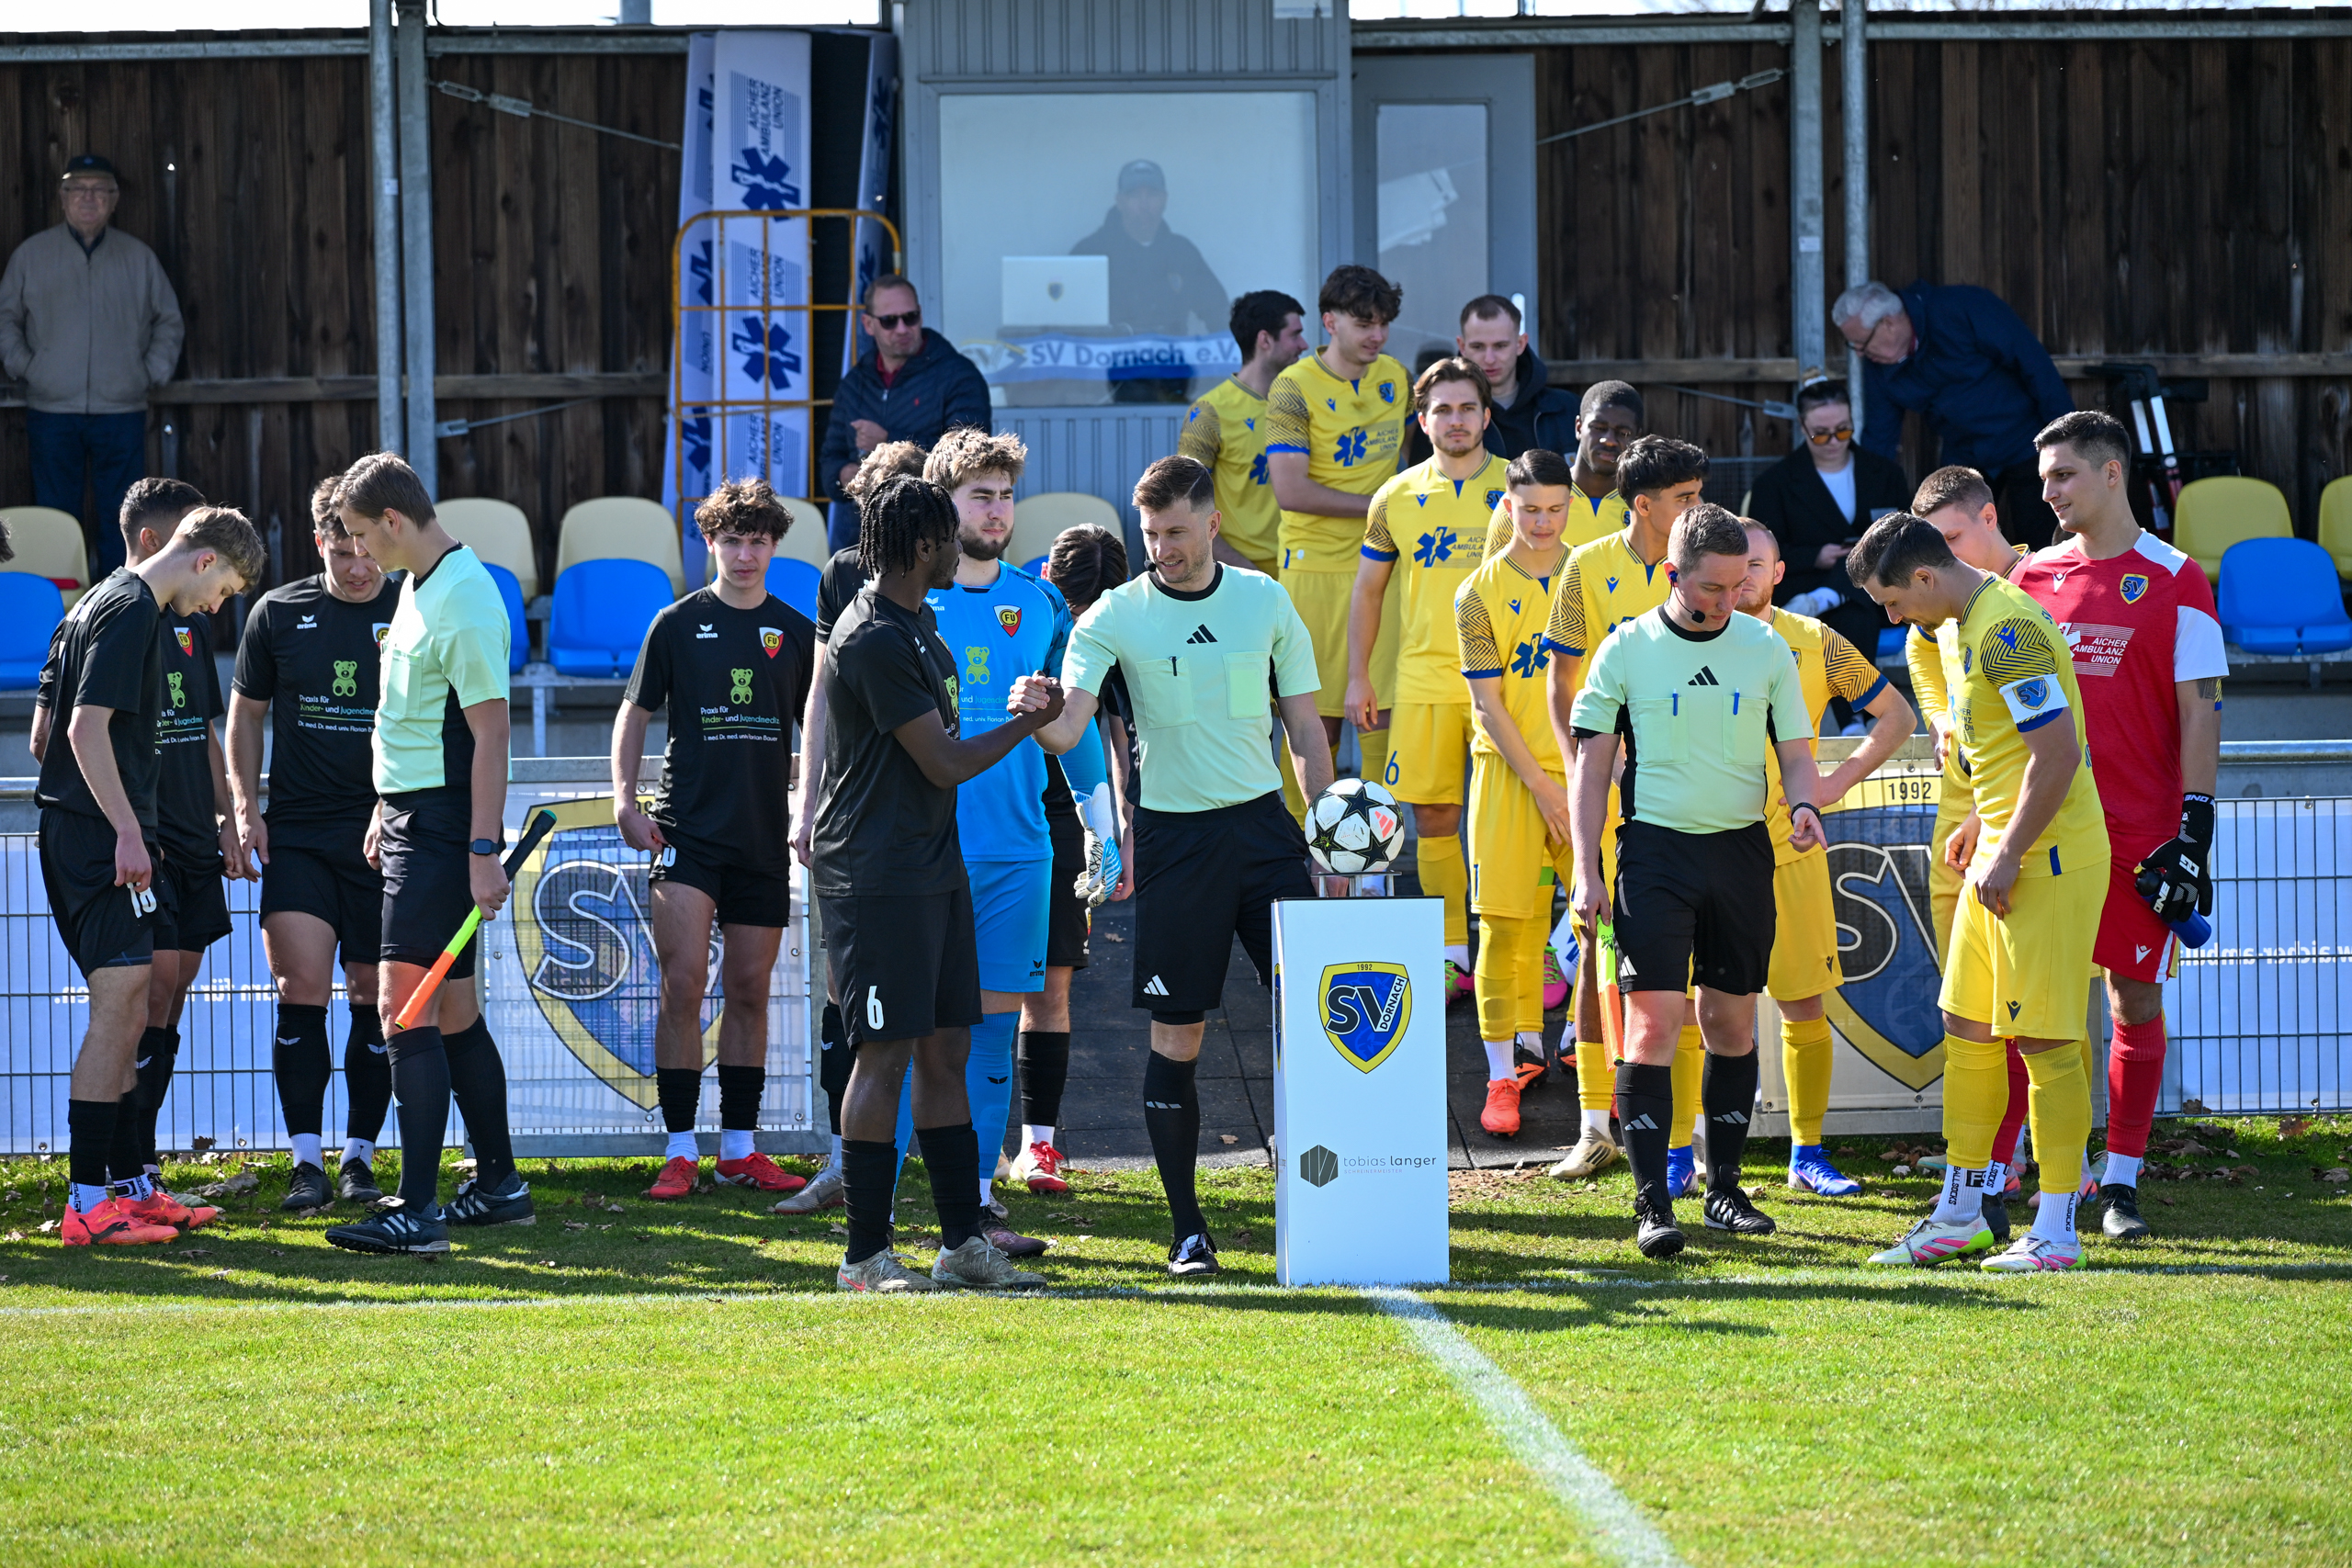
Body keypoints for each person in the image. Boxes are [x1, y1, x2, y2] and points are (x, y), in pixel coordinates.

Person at [1019, 455, 1331, 1278]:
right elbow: (1068, 733)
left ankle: (1335, 1198)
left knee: (1316, 1021)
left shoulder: (1265, 600)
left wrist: (1326, 832)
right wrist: (1041, 713)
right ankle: (1189, 1228)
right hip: (1174, 843)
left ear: (1212, 523)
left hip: (1265, 838)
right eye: (1151, 533)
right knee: (1178, 1034)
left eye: (1176, 532)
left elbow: (1305, 730)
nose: (1162, 547)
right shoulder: (1112, 617)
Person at [813, 474, 1057, 1293]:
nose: (964, 546)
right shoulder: (873, 636)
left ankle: (961, 1245)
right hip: (874, 876)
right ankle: (864, 1256)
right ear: (923, 546)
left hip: (931, 867)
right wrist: (1029, 723)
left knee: (946, 1047)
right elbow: (946, 762)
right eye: (951, 535)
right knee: (881, 1058)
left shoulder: (920, 623)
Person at [1846, 513, 2109, 1272]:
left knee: (2049, 1043)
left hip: (2047, 860)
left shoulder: (2007, 631)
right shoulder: (1964, 626)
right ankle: (1961, 1213)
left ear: (1925, 577)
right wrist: (1980, 825)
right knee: (1965, 1027)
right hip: (2001, 848)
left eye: (1893, 602)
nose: (1893, 620)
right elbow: (1992, 744)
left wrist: (2011, 846)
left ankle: (2057, 1229)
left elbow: (2056, 756)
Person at [1567, 502, 1823, 1258]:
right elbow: (1588, 774)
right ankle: (1651, 1202)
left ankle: (1726, 1188)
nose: (1727, 600)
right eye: (1710, 586)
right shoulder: (1625, 649)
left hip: (1741, 854)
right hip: (1654, 856)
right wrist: (1586, 872)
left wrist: (1804, 800)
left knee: (1733, 1025)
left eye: (1739, 583)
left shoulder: (1767, 647)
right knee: (1651, 1025)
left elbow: (1797, 752)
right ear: (1672, 573)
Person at [2014, 410, 2226, 1242]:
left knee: (2132, 997)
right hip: (2046, 831)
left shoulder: (2179, 577)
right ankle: (2027, 1177)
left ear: (2111, 474)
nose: (2050, 492)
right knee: (2033, 1004)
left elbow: (2202, 707)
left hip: (2139, 832)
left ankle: (2124, 1183)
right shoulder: (2030, 578)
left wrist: (2195, 825)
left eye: (2063, 475)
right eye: (2042, 481)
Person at [322, 454, 531, 1256]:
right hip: (415, 818)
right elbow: (417, 718)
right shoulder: (418, 586)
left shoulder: (465, 596)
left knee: (402, 1010)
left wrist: (482, 848)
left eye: (363, 537)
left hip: (444, 833)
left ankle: (416, 1209)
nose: (360, 554)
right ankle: (501, 1184)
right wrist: (386, 800)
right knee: (452, 1010)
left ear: (396, 523)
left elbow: (490, 733)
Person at [40, 507, 258, 1246]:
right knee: (120, 1005)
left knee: (134, 1006)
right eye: (224, 588)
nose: (218, 606)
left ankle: (130, 1187)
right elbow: (81, 729)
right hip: (92, 836)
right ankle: (86, 1205)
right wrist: (129, 829)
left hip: (105, 833)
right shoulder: (133, 608)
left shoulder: (115, 599)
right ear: (202, 561)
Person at [612, 478, 815, 1204]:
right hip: (687, 835)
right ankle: (677, 1149)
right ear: (711, 543)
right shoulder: (676, 623)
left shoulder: (796, 630)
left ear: (774, 546)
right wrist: (623, 799)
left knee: (751, 991)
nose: (746, 552)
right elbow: (634, 713)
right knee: (682, 986)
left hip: (761, 841)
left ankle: (738, 1148)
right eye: (732, 539)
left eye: (758, 540)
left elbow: (817, 733)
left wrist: (809, 807)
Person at [898, 428, 1071, 1256]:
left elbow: (1072, 729)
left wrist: (1108, 832)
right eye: (980, 495)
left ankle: (973, 1202)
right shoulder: (904, 603)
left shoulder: (1042, 603)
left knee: (996, 1029)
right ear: (945, 504)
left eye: (1006, 494)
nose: (998, 510)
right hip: (921, 850)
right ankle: (882, 1194)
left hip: (1018, 847)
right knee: (904, 1032)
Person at [1539, 435, 1711, 1187]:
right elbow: (1561, 684)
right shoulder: (1586, 565)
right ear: (1644, 506)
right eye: (1685, 498)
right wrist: (1587, 770)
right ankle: (1593, 1127)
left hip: (1691, 792)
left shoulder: (1710, 559)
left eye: (1700, 494)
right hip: (1611, 791)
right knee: (1595, 947)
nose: (1698, 508)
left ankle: (1690, 1139)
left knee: (1692, 964)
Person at [230, 475, 401, 1210]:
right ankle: (306, 1161)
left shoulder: (416, 609)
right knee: (299, 991)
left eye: (368, 549)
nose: (359, 566)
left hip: (384, 834)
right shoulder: (278, 613)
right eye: (342, 550)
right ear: (318, 544)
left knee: (373, 995)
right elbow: (243, 718)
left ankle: (360, 1157)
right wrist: (244, 806)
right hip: (299, 833)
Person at [1733, 522, 1917, 1198]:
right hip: (1704, 851)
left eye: (1756, 564)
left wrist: (1835, 785)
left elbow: (1895, 716)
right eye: (1732, 564)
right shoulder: (1674, 636)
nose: (1743, 576)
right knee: (1698, 1008)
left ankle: (1806, 1151)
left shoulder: (1814, 640)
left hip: (1792, 848)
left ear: (1780, 571)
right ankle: (1678, 1152)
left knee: (1803, 1004)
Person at [778, 440, 931, 1218]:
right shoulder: (841, 577)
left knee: (945, 1020)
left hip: (937, 823)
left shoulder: (955, 569)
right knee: (856, 1004)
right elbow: (817, 691)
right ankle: (850, 1167)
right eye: (875, 501)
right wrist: (806, 797)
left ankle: (964, 1197)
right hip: (862, 825)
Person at [1345, 356, 1507, 1009]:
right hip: (1424, 676)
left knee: (1510, 815)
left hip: (1505, 679)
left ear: (1487, 416)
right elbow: (1368, 590)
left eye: (1468, 407)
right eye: (1443, 409)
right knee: (1435, 815)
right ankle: (1451, 950)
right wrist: (1358, 676)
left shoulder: (1521, 487)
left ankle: (1530, 948)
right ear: (1422, 419)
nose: (1456, 419)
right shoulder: (1397, 495)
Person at [1904, 463, 2038, 1239]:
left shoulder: (2034, 590)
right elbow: (1921, 651)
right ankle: (1986, 1162)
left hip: (2025, 824)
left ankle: (2036, 1162)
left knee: (2033, 1008)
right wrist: (1940, 715)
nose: (1943, 557)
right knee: (1970, 1007)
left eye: (1954, 537)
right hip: (1963, 814)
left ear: (1989, 518)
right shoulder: (1944, 603)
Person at [1455, 449, 1576, 1138]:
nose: (1541, 521)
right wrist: (1539, 785)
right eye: (1528, 508)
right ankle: (1504, 1072)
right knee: (1503, 927)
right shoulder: (1476, 591)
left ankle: (1603, 1063)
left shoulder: (1587, 577)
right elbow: (1488, 707)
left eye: (1555, 508)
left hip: (1583, 770)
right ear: (1508, 506)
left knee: (1605, 925)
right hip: (1507, 773)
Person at [1013, 522, 1136, 1197]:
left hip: (1067, 817)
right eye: (1075, 604)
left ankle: (1040, 1146)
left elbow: (1112, 728)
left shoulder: (1120, 631)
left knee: (1050, 986)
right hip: (997, 808)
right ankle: (963, 1150)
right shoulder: (1019, 616)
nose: (1083, 622)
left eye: (1097, 607)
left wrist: (1118, 827)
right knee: (978, 990)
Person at [0, 154, 186, 577]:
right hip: (52, 408)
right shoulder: (32, 255)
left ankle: (116, 606)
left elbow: (169, 321)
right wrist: (28, 367)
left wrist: (148, 372)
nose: (89, 198)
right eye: (78, 189)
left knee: (123, 518)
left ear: (114, 200)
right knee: (55, 516)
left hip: (120, 410)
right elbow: (5, 318)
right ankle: (60, 613)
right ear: (63, 198)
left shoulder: (138, 258)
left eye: (99, 190)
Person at [1266, 265, 1409, 766]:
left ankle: (1377, 842)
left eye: (1384, 323)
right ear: (1330, 322)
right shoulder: (1292, 386)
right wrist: (1382, 507)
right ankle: (1305, 840)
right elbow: (1290, 490)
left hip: (1383, 564)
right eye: (1364, 323)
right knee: (1315, 716)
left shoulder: (1396, 376)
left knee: (1381, 709)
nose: (1377, 335)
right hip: (1315, 567)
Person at [1834, 279, 2074, 550]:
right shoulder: (1878, 363)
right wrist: (1866, 512)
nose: (1859, 354)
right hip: (1965, 453)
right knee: (1952, 540)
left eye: (1861, 344)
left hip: (2026, 441)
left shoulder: (1961, 307)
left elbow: (2034, 365)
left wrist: (2067, 438)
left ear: (1888, 323)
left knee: (2043, 540)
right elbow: (1880, 434)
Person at [1745, 378, 1912, 717]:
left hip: (1872, 588)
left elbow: (1904, 538)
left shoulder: (1884, 473)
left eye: (1843, 430)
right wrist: (1815, 556)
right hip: (1801, 585)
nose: (1833, 441)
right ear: (1802, 427)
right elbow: (1760, 553)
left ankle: (1852, 722)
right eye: (1821, 434)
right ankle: (1856, 719)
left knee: (1858, 596)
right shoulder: (1774, 484)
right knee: (1852, 610)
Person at [818, 276, 990, 551]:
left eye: (910, 317)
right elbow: (829, 462)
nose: (902, 328)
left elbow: (969, 460)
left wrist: (888, 441)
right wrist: (844, 474)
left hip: (936, 539)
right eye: (889, 321)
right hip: (864, 542)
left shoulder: (959, 375)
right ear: (868, 324)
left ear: (921, 315)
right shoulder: (855, 383)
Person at [1070, 159, 1230, 403]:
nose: (1144, 205)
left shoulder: (1182, 252)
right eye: (1135, 195)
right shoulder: (1090, 252)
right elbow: (1066, 325)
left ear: (1164, 199)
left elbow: (1219, 316)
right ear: (1120, 201)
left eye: (1152, 195)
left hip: (1175, 382)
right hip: (1106, 386)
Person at [1178, 289, 1307, 577]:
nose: (1304, 344)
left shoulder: (1308, 402)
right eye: (1295, 334)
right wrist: (1246, 572)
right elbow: (1186, 508)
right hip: (1241, 578)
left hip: (1306, 569)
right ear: (1265, 340)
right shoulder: (1209, 411)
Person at [1480, 381, 1645, 562]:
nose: (1609, 440)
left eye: (1623, 433)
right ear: (1578, 427)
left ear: (1637, 437)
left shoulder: (1646, 509)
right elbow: (1491, 586)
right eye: (1598, 428)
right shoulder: (1519, 504)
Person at [1453, 295, 1577, 458]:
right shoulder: (1445, 417)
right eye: (1478, 347)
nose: (1489, 359)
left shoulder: (1568, 409)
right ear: (1462, 347)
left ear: (1520, 344)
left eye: (1500, 346)